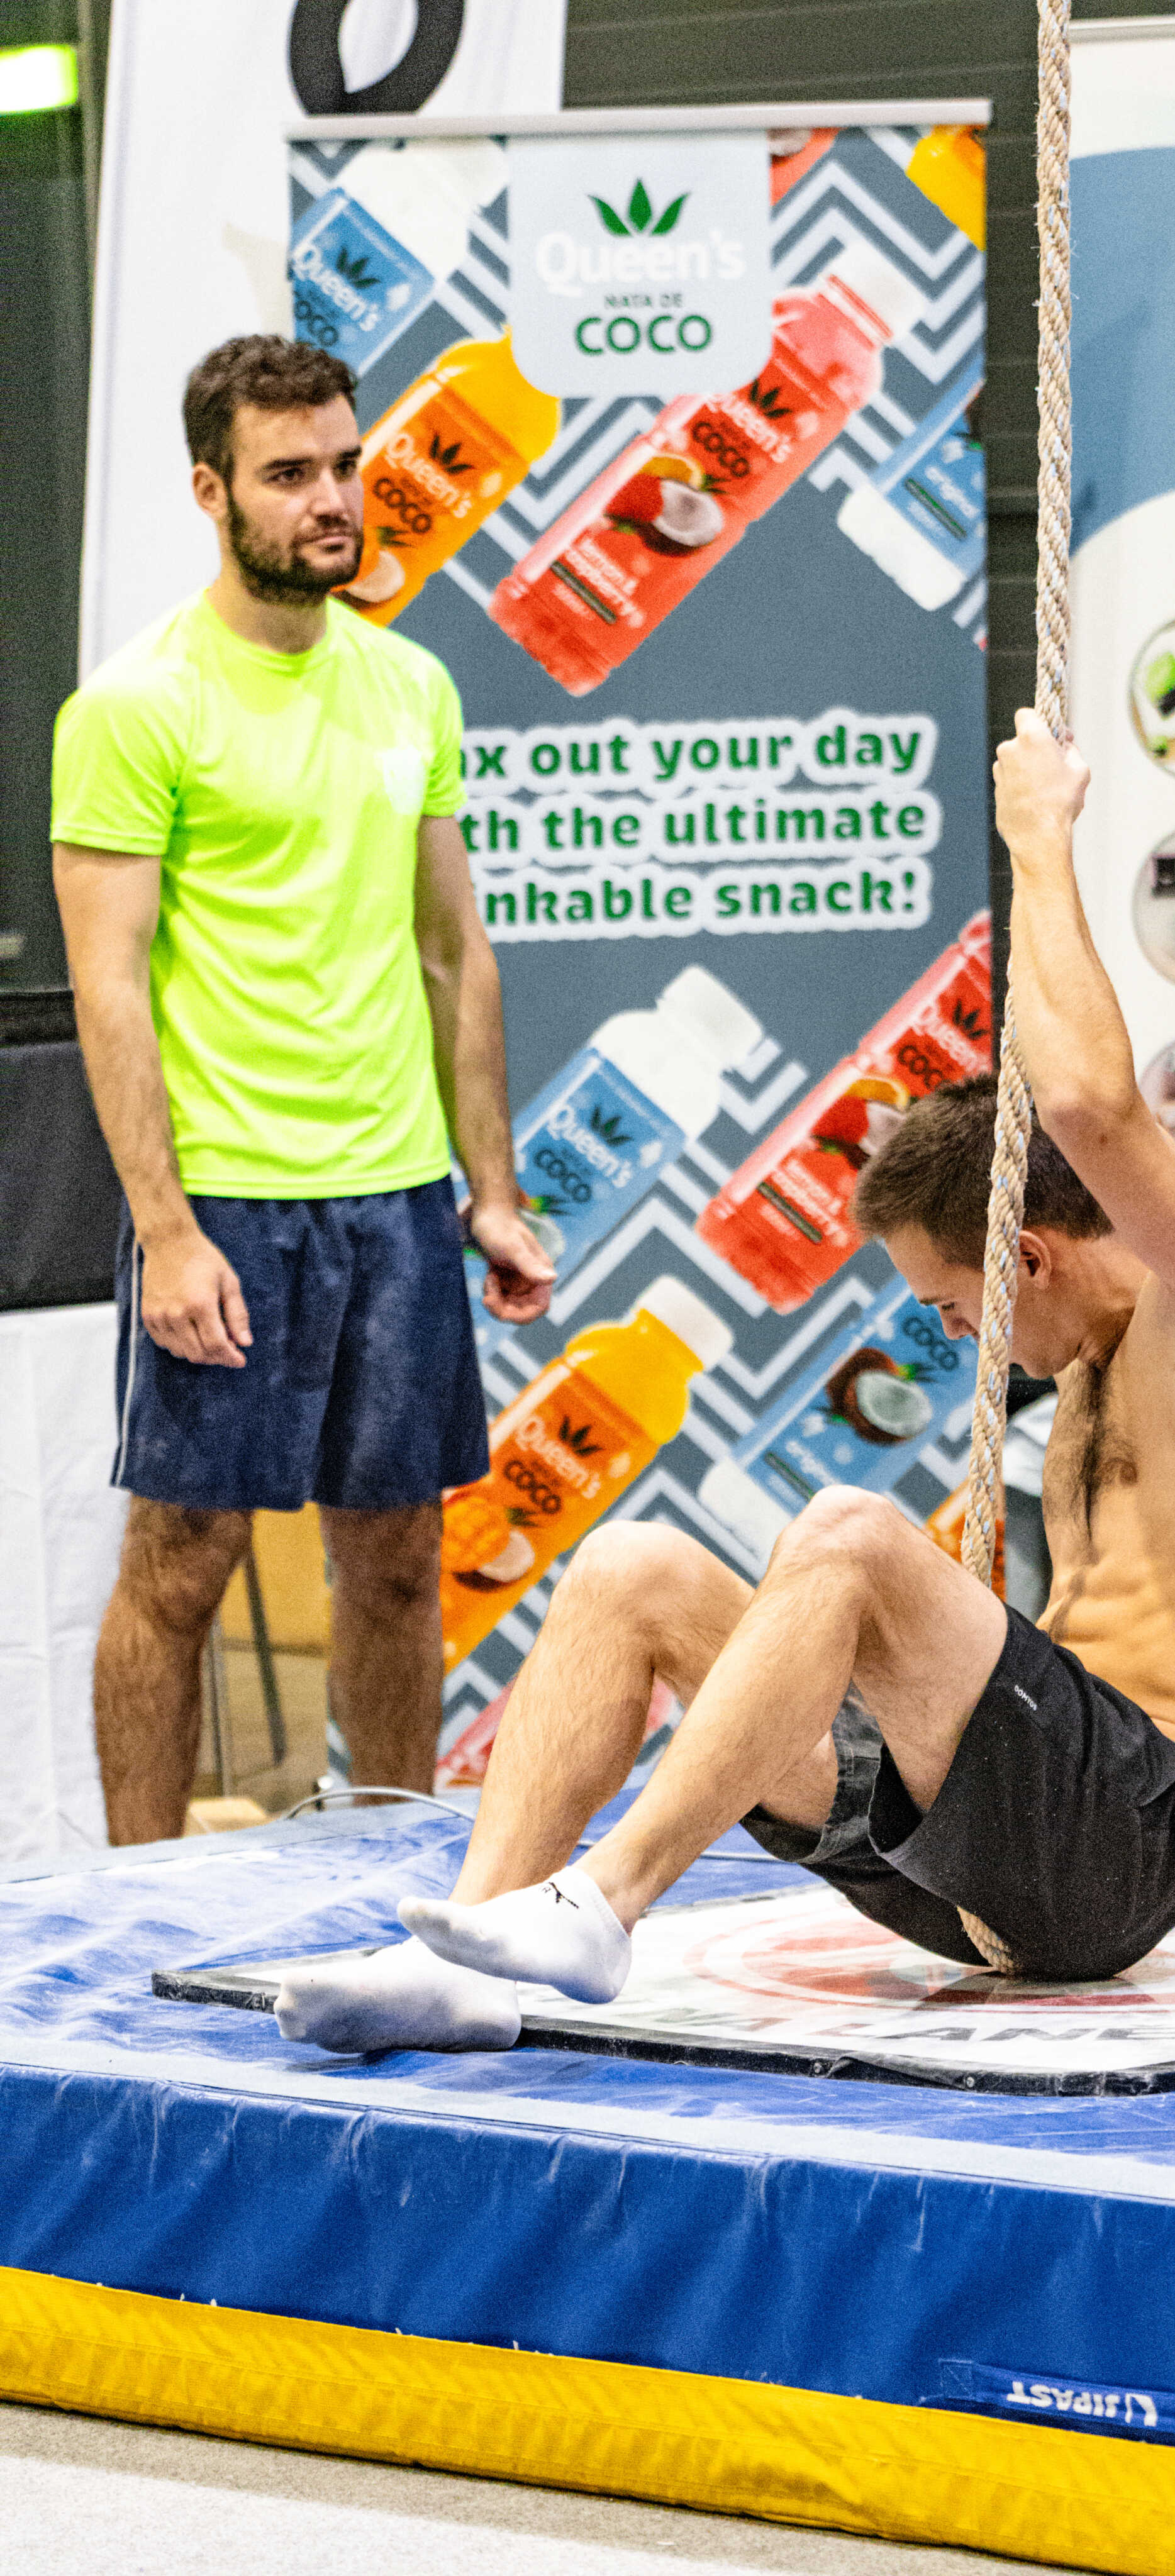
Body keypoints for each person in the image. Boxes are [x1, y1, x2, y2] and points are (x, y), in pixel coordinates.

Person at [273, 709, 1175, 2054]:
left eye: (956, 1307)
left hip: (1123, 1847)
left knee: (850, 1535)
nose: (967, 1341)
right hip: (975, 1861)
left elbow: (1090, 1108)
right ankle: (471, 1955)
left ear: (1029, 1257)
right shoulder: (1090, 1358)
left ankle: (603, 1902)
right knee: (633, 1569)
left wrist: (1038, 837)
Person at [52, 335, 553, 1846]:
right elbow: (106, 989)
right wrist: (167, 1229)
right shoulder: (134, 706)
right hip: (227, 1204)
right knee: (180, 1564)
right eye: (289, 474)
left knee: (397, 1562)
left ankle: (395, 1867)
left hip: (397, 1200)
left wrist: (492, 1192)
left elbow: (453, 951)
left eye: (344, 464)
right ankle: (138, 1906)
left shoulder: (410, 686)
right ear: (212, 491)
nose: (332, 499)